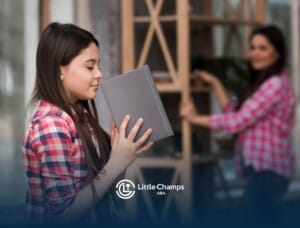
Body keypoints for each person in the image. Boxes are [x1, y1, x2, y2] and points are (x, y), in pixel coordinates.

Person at [22, 22, 153, 224]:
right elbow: (64, 215)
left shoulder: (80, 114)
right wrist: (114, 164)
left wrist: (122, 158)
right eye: (90, 66)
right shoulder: (52, 125)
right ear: (60, 71)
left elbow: (103, 189)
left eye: (98, 66)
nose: (98, 74)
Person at [180, 25, 296, 223]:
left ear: (277, 53)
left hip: (268, 170)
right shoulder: (268, 83)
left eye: (263, 48)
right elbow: (237, 114)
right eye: (252, 47)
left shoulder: (274, 85)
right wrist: (216, 83)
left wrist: (194, 119)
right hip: (264, 170)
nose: (255, 53)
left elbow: (237, 122)